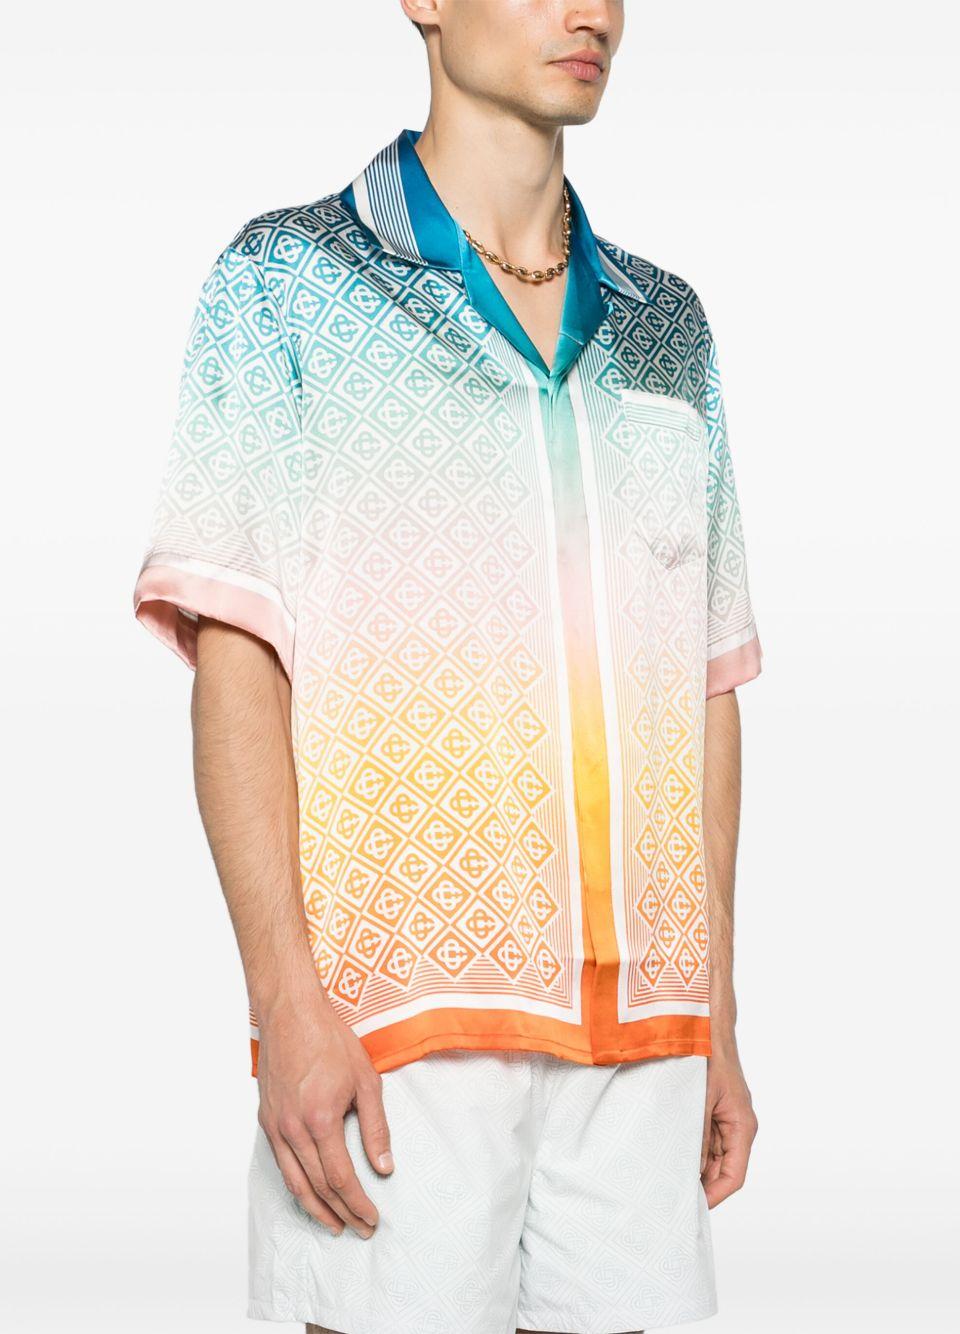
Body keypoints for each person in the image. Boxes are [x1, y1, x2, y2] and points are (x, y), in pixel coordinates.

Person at [132, 1, 763, 1330]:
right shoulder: (287, 285)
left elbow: (702, 690)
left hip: (640, 1051)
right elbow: (239, 663)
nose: (592, 14)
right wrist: (284, 1003)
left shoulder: (669, 329)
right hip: (393, 1039)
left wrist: (717, 1014)